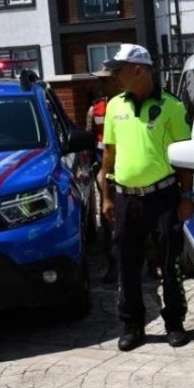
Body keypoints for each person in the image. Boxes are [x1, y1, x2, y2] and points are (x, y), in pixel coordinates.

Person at [98, 44, 194, 351]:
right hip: (126, 199)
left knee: (170, 262)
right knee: (126, 263)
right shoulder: (114, 106)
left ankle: (175, 323)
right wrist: (106, 196)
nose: (114, 76)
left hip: (163, 196)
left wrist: (186, 196)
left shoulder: (172, 106)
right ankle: (132, 325)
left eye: (118, 69)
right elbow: (109, 153)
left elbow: (185, 157)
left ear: (137, 69)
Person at [86, 78, 118, 283]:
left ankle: (152, 261)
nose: (103, 85)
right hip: (105, 169)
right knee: (109, 219)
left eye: (107, 81)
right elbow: (90, 140)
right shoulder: (94, 110)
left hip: (133, 168)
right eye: (102, 81)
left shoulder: (132, 104)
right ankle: (113, 265)